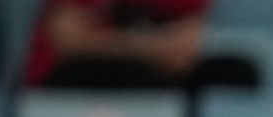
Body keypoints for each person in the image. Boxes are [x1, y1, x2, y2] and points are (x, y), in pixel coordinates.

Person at [22, 0, 259, 91]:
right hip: (59, 90)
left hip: (153, 83)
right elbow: (67, 41)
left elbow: (182, 51)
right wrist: (152, 46)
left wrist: (104, 39)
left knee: (238, 74)